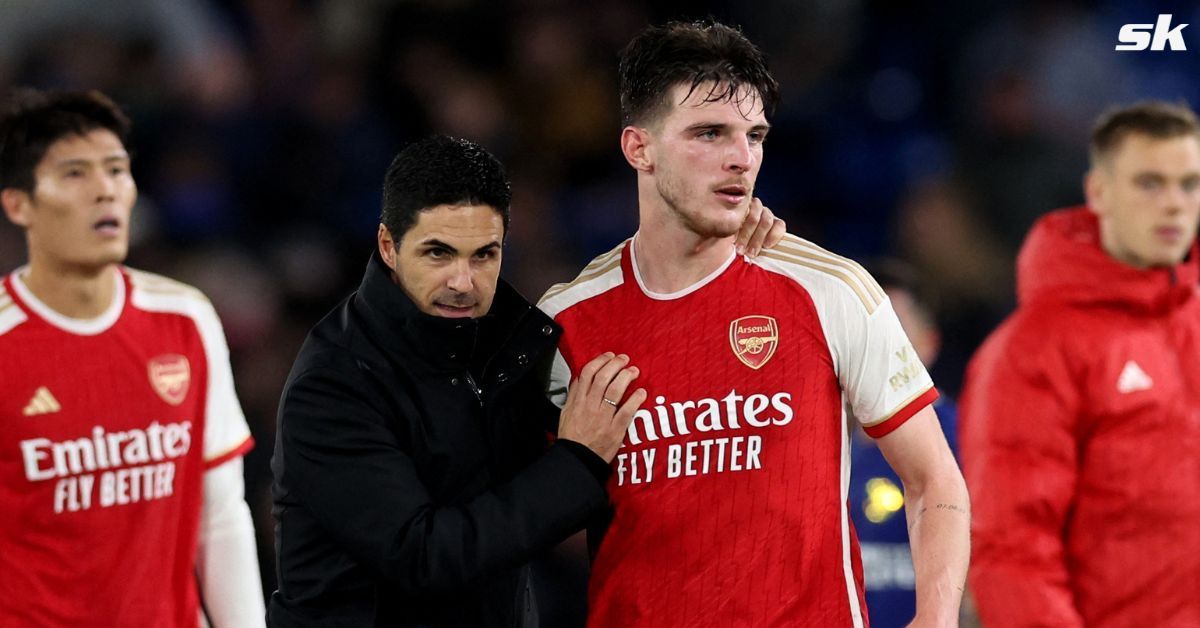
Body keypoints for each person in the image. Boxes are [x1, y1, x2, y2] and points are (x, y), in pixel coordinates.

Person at [538, 20, 969, 627]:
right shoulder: (565, 323)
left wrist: (937, 618)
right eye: (709, 133)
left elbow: (936, 480)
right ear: (639, 148)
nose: (741, 158)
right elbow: (524, 519)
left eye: (755, 135)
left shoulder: (830, 290)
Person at [268, 135, 648, 627]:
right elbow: (425, 556)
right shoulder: (332, 385)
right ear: (388, 245)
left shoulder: (506, 346)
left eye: (484, 255)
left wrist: (723, 239)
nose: (463, 282)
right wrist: (577, 461)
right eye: (438, 253)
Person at [0, 89, 263, 626]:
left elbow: (221, 516)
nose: (106, 191)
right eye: (75, 173)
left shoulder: (186, 318)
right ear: (19, 203)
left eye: (117, 170)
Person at [960, 101, 1200, 627]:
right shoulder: (1032, 350)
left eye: (1189, 184)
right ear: (1098, 193)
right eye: (1150, 183)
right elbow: (1011, 549)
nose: (1175, 206)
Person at [848, 260, 960, 628]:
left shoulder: (967, 440)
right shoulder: (827, 445)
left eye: (895, 339)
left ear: (928, 343)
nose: (876, 355)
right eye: (864, 339)